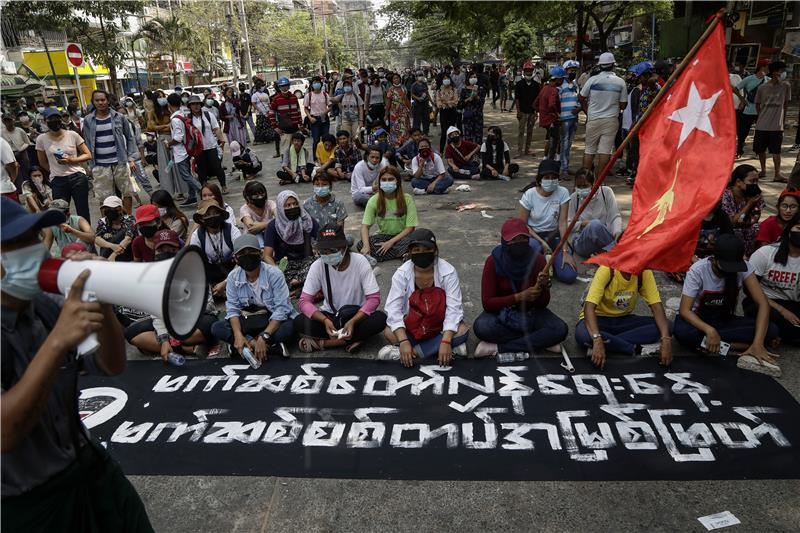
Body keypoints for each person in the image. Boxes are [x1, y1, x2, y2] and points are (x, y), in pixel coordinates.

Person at [0, 197, 153, 532]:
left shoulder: (47, 305)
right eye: (15, 243)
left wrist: (103, 301)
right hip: (29, 502)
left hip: (90, 468)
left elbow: (111, 365)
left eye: (34, 237)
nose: (34, 249)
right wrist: (57, 342)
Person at [675, 234, 780, 376]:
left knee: (772, 329)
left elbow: (763, 304)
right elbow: (685, 311)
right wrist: (710, 331)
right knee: (683, 333)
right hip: (699, 323)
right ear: (715, 259)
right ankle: (735, 346)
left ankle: (740, 345)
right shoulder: (698, 270)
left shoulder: (744, 268)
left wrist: (758, 341)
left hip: (724, 321)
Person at [473, 218, 568, 357]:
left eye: (522, 239)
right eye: (514, 240)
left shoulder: (538, 260)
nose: (519, 243)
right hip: (502, 314)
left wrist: (543, 288)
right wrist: (519, 297)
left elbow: (543, 304)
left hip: (531, 312)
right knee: (481, 327)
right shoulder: (493, 262)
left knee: (560, 329)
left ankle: (499, 347)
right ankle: (539, 340)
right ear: (504, 242)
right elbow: (488, 303)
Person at [380, 228, 470, 366]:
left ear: (435, 250)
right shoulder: (401, 274)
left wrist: (446, 340)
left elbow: (454, 310)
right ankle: (442, 349)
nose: (421, 253)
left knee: (462, 330)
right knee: (388, 332)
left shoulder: (448, 272)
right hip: (413, 325)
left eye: (427, 249)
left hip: (439, 325)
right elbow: (394, 310)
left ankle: (414, 353)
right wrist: (403, 341)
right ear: (410, 253)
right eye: (416, 250)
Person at [125, 228, 219, 360]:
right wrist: (164, 338)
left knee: (211, 326)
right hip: (167, 321)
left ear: (179, 249)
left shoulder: (195, 268)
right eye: (161, 250)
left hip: (193, 318)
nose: (165, 253)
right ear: (155, 251)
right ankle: (186, 348)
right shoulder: (153, 276)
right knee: (131, 333)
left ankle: (170, 347)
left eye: (171, 249)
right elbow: (156, 312)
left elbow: (207, 306)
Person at [294, 224, 387, 353]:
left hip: (357, 315)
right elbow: (304, 301)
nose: (327, 255)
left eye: (332, 250)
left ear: (344, 248)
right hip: (331, 317)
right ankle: (353, 339)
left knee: (379, 319)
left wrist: (353, 321)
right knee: (299, 322)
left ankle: (328, 343)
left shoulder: (360, 261)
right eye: (323, 252)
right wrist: (324, 320)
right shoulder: (318, 265)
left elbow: (374, 299)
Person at [210, 234, 296, 360]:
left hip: (270, 319)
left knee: (291, 326)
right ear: (236, 259)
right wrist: (238, 334)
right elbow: (233, 309)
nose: (247, 256)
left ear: (260, 254)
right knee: (217, 327)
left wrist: (264, 336)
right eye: (242, 254)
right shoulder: (233, 277)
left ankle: (244, 346)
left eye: (251, 251)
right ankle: (266, 346)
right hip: (247, 320)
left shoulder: (275, 274)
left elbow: (282, 309)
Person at [576, 266, 673, 368]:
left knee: (668, 326)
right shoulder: (607, 269)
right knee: (583, 336)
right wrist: (596, 338)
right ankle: (633, 348)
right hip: (599, 319)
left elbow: (656, 306)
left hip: (624, 320)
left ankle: (609, 343)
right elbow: (589, 308)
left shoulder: (644, 272)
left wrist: (666, 339)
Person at [518, 159, 578, 283]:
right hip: (534, 237)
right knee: (534, 248)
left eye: (554, 177)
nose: (550, 180)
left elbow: (562, 223)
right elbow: (522, 225)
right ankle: (544, 261)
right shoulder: (529, 195)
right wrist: (542, 242)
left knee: (569, 276)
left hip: (554, 237)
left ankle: (550, 261)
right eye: (547, 177)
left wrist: (565, 251)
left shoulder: (562, 192)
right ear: (540, 179)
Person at [82, 90, 139, 215]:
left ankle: (128, 218)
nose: (100, 102)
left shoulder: (119, 117)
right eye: (97, 100)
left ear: (108, 101)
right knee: (103, 197)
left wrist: (131, 158)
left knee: (127, 192)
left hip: (119, 161)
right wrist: (90, 164)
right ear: (93, 102)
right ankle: (106, 223)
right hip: (100, 164)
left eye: (103, 99)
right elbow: (87, 141)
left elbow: (129, 137)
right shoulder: (88, 120)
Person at [746, 215, 800, 344]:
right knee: (774, 319)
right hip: (763, 301)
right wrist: (782, 311)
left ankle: (778, 335)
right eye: (798, 228)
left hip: (792, 303)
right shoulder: (765, 253)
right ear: (789, 230)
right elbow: (749, 291)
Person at [35, 108, 92, 222]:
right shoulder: (41, 139)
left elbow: (88, 154)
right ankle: (65, 237)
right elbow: (42, 162)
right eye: (51, 119)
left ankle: (87, 236)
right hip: (58, 180)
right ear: (45, 121)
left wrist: (72, 160)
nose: (54, 121)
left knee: (83, 211)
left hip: (77, 177)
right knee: (59, 212)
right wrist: (54, 170)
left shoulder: (72, 135)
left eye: (57, 118)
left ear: (61, 119)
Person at [579, 52, 628, 172]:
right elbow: (623, 105)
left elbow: (581, 97)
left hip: (593, 119)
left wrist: (587, 111)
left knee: (589, 149)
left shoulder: (592, 80)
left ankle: (585, 178)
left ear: (599, 66)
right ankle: (600, 181)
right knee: (605, 150)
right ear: (613, 65)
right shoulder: (620, 82)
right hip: (611, 120)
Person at [263, 190, 319, 290]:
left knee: (317, 266)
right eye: (288, 205)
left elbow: (322, 238)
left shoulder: (307, 221)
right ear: (280, 208)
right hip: (284, 265)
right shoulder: (273, 226)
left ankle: (296, 282)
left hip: (307, 262)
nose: (292, 207)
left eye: (295, 204)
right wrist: (277, 271)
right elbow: (267, 255)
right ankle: (301, 282)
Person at [359, 166, 417, 261]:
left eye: (390, 179)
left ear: (397, 181)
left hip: (403, 236)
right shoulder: (374, 200)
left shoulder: (407, 199)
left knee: (418, 239)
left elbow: (410, 228)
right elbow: (365, 226)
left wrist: (390, 243)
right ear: (379, 182)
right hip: (384, 235)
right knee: (361, 244)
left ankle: (383, 254)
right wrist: (366, 247)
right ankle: (402, 253)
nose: (387, 182)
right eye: (384, 180)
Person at [189, 198, 242, 295]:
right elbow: (195, 263)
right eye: (207, 215)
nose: (212, 217)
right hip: (210, 272)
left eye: (215, 213)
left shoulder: (232, 231)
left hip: (233, 270)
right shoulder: (197, 236)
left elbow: (242, 259)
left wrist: (226, 282)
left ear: (221, 215)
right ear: (201, 218)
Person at [566, 167, 622, 257]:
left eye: (585, 186)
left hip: (603, 239)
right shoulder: (574, 198)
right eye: (578, 186)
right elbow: (566, 224)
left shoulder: (606, 192)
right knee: (594, 224)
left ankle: (609, 251)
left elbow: (615, 216)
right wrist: (583, 223)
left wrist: (617, 233)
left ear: (594, 184)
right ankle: (616, 252)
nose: (581, 189)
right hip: (582, 242)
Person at [753, 61, 791, 182]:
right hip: (761, 126)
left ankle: (777, 174)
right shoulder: (762, 87)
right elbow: (757, 104)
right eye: (782, 70)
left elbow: (786, 105)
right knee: (760, 150)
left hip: (777, 127)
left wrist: (782, 121)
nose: (783, 73)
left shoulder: (786, 86)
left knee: (776, 151)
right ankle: (763, 171)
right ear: (775, 72)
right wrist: (761, 117)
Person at [147, 90, 187, 199]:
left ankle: (181, 191)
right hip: (162, 140)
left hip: (174, 139)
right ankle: (169, 192)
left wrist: (162, 126)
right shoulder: (152, 112)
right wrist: (166, 126)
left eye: (163, 96)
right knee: (166, 166)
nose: (162, 98)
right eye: (159, 97)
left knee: (177, 164)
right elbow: (151, 127)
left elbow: (173, 125)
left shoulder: (170, 110)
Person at [165, 93, 202, 207]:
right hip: (187, 149)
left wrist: (169, 144)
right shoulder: (182, 115)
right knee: (188, 174)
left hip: (181, 151)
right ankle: (192, 197)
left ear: (169, 105)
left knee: (186, 175)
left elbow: (178, 138)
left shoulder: (175, 119)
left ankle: (202, 190)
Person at [721, 164, 764, 257]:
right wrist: (749, 205)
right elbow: (733, 223)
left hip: (749, 232)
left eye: (757, 181)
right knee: (737, 232)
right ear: (738, 182)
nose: (755, 184)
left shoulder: (756, 194)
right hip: (731, 234)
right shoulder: (726, 196)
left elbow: (754, 219)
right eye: (752, 181)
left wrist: (746, 221)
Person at [187, 95, 227, 194]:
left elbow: (216, 129)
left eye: (197, 104)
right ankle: (205, 189)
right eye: (193, 104)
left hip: (211, 145)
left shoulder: (208, 115)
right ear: (190, 106)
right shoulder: (188, 119)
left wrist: (221, 140)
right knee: (201, 170)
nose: (196, 106)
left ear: (201, 105)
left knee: (217, 167)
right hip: (198, 149)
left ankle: (223, 185)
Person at [735, 59, 769, 158]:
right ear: (762, 67)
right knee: (743, 133)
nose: (769, 69)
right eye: (767, 67)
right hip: (748, 110)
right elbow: (736, 88)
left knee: (759, 133)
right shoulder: (749, 79)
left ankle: (758, 152)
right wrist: (742, 99)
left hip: (761, 111)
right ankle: (739, 151)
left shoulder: (768, 80)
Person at [94, 195, 135, 262]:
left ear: (120, 209)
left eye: (110, 209)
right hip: (110, 250)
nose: (107, 211)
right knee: (105, 237)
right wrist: (112, 246)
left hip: (127, 252)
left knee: (122, 233)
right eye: (106, 209)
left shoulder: (129, 219)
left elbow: (128, 239)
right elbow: (97, 239)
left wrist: (114, 255)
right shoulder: (103, 221)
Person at [535, 67, 564, 161]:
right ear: (558, 79)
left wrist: (542, 113)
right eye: (562, 79)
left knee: (549, 139)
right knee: (556, 141)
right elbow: (552, 104)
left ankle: (545, 158)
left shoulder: (544, 88)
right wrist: (556, 114)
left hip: (545, 120)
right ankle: (553, 161)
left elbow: (535, 104)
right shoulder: (553, 90)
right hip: (552, 120)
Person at [269, 77, 303, 155]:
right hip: (284, 130)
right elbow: (271, 113)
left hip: (295, 128)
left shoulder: (294, 97)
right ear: (279, 87)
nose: (284, 88)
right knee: (285, 152)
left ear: (289, 86)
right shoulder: (276, 99)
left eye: (286, 85)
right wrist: (275, 127)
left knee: (297, 151)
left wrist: (300, 123)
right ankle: (286, 166)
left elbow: (298, 111)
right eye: (282, 86)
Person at [559, 60, 581, 174]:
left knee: (569, 143)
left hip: (574, 118)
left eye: (574, 71)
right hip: (564, 119)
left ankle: (566, 166)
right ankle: (564, 169)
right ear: (565, 71)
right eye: (571, 70)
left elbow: (578, 99)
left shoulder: (575, 84)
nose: (573, 72)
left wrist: (579, 108)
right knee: (565, 143)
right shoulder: (561, 85)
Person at [515, 62, 540, 157]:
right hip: (522, 112)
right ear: (524, 71)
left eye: (530, 70)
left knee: (530, 132)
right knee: (521, 131)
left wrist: (536, 112)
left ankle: (527, 149)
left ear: (532, 71)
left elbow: (538, 99)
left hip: (532, 112)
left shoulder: (536, 85)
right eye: (527, 70)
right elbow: (517, 99)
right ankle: (519, 151)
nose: (529, 72)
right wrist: (518, 111)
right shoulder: (519, 84)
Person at [2, 113, 31, 188]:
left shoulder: (20, 130)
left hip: (22, 152)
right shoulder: (1, 133)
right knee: (16, 173)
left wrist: (21, 149)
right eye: (6, 121)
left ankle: (30, 186)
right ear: (3, 122)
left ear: (13, 120)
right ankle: (19, 189)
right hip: (10, 155)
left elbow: (27, 142)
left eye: (9, 120)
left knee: (26, 171)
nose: (8, 122)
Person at [303, 76, 330, 151]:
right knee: (316, 140)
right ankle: (315, 158)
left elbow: (330, 106)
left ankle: (326, 156)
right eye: (315, 83)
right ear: (312, 85)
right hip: (314, 119)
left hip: (324, 119)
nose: (316, 84)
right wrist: (310, 118)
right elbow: (305, 108)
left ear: (321, 84)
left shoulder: (325, 94)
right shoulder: (309, 95)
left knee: (326, 139)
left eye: (318, 82)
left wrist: (324, 112)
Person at [385, 73, 411, 147]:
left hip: (403, 113)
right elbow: (388, 103)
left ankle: (405, 146)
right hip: (394, 114)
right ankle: (396, 147)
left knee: (405, 129)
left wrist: (410, 110)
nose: (396, 79)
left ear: (400, 79)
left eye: (397, 78)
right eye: (394, 78)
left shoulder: (404, 88)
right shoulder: (391, 90)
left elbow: (406, 100)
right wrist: (386, 114)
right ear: (392, 80)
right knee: (395, 131)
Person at [435, 74, 459, 153]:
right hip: (443, 112)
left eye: (447, 78)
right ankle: (441, 151)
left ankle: (451, 150)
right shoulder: (439, 90)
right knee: (443, 131)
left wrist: (445, 102)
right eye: (444, 78)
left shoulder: (454, 90)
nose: (446, 80)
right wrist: (446, 103)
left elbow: (456, 102)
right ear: (442, 80)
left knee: (452, 131)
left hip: (452, 112)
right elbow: (438, 103)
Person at [459, 74, 485, 144]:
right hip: (468, 116)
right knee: (468, 137)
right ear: (468, 79)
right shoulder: (464, 89)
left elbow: (482, 102)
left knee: (478, 137)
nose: (473, 78)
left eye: (475, 77)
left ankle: (478, 153)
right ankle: (469, 153)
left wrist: (476, 96)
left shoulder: (481, 89)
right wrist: (468, 99)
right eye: (471, 77)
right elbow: (460, 104)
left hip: (478, 116)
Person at [410, 71, 431, 135]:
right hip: (417, 104)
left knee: (426, 119)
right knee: (417, 120)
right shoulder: (414, 85)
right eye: (419, 75)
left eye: (421, 75)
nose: (420, 77)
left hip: (425, 104)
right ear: (416, 77)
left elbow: (427, 93)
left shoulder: (424, 84)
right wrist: (418, 98)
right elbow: (412, 94)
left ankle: (425, 132)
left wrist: (431, 102)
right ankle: (416, 133)